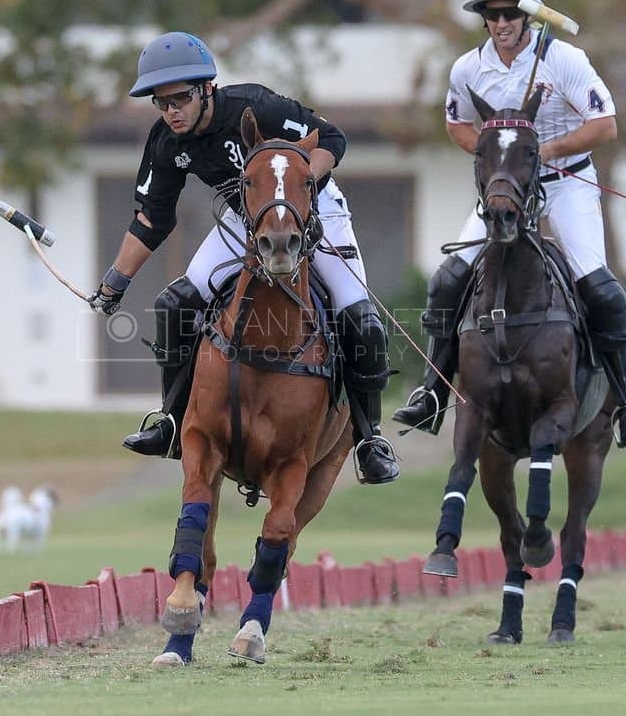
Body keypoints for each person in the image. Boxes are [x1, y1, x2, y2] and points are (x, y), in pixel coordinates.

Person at [88, 31, 400, 484]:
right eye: (162, 103)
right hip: (246, 219)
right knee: (173, 304)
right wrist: (114, 282)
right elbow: (152, 219)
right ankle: (172, 421)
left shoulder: (258, 107)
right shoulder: (166, 143)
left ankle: (370, 438)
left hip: (317, 210)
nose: (172, 111)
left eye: (180, 99)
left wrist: (299, 185)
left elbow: (332, 137)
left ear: (207, 89)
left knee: (361, 317)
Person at [391, 0, 626, 448]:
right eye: (491, 15)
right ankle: (431, 392)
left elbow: (606, 125)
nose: (501, 23)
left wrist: (542, 152)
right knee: (447, 280)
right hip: (507, 191)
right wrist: (498, 163)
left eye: (510, 13)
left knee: (602, 290)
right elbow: (456, 124)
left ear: (528, 16)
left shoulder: (564, 60)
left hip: (567, 182)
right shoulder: (469, 68)